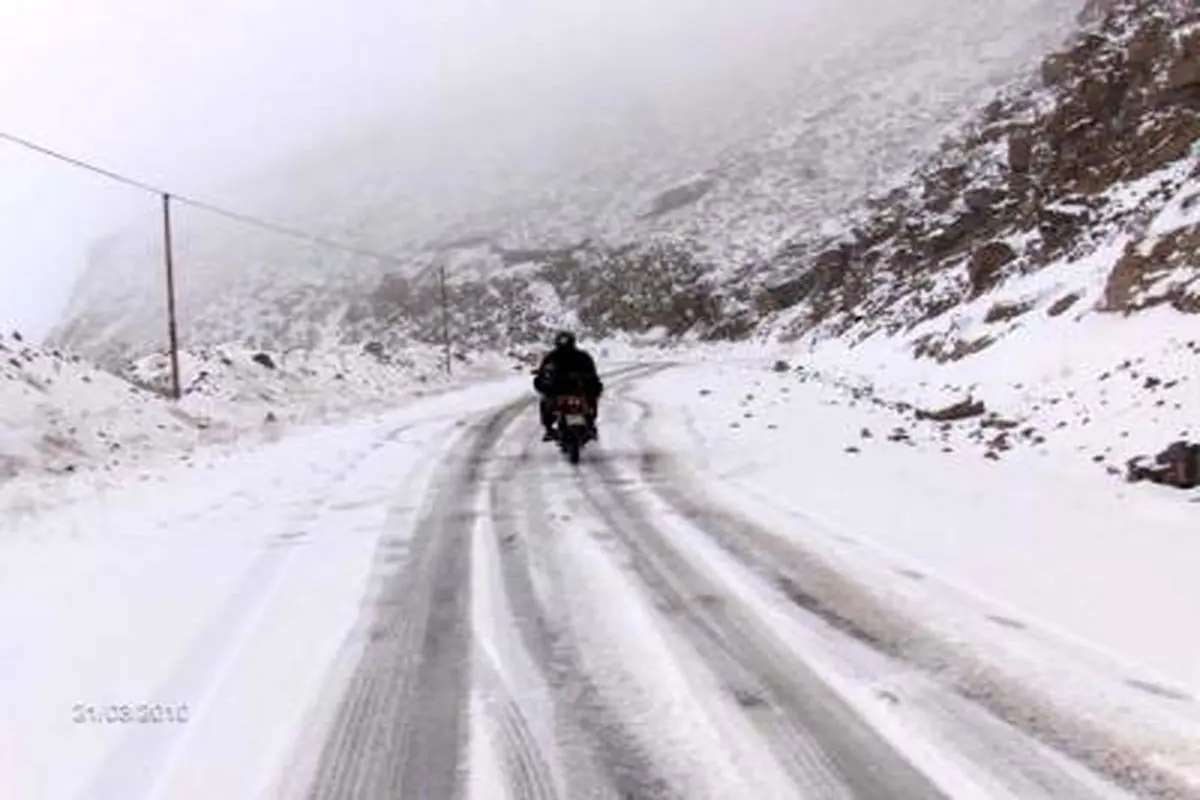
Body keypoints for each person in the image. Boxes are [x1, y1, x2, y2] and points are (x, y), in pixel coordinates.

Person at [533, 331, 603, 441]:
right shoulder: (552, 357)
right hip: (559, 391)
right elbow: (543, 374)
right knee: (546, 401)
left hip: (578, 390)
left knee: (591, 399)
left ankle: (589, 424)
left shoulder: (581, 357)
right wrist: (544, 380)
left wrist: (590, 383)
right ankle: (549, 428)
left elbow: (592, 375)